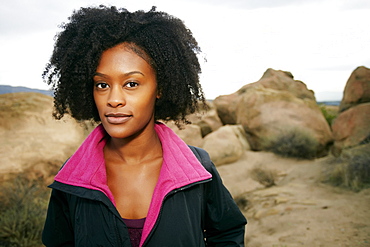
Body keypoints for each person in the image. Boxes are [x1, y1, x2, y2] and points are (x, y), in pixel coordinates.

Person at [42, 5, 247, 247]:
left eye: (131, 84)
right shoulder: (73, 177)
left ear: (160, 88)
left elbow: (227, 234)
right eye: (101, 85)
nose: (114, 99)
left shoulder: (198, 170)